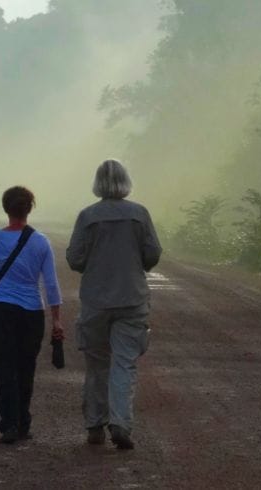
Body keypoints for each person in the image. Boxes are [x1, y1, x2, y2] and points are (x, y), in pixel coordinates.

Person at [66, 159, 162, 450]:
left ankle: (95, 425)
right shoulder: (139, 214)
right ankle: (120, 423)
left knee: (97, 364)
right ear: (126, 181)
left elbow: (75, 259)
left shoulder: (87, 216)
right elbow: (152, 254)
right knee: (124, 363)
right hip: (131, 299)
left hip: (96, 300)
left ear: (97, 184)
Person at [0, 186, 64, 444]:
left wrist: (0, 292)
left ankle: (9, 424)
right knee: (26, 367)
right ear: (29, 209)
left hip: (1, 310)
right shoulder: (40, 241)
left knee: (4, 367)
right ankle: (23, 421)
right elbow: (51, 285)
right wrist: (57, 319)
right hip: (31, 312)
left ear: (6, 209)